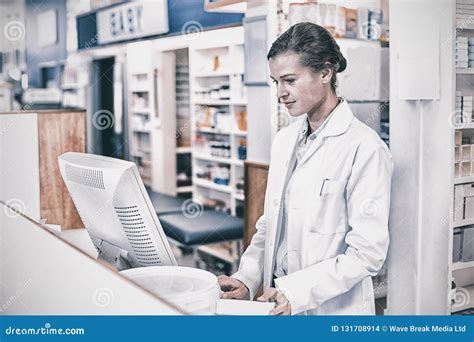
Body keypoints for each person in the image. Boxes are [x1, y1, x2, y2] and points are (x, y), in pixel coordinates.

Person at [218, 22, 393, 315]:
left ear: (326, 72)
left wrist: (295, 291)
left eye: (289, 80)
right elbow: (269, 225)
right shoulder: (285, 141)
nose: (280, 93)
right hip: (278, 301)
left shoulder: (365, 148)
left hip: (333, 310)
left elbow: (367, 253)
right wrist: (246, 278)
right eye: (276, 82)